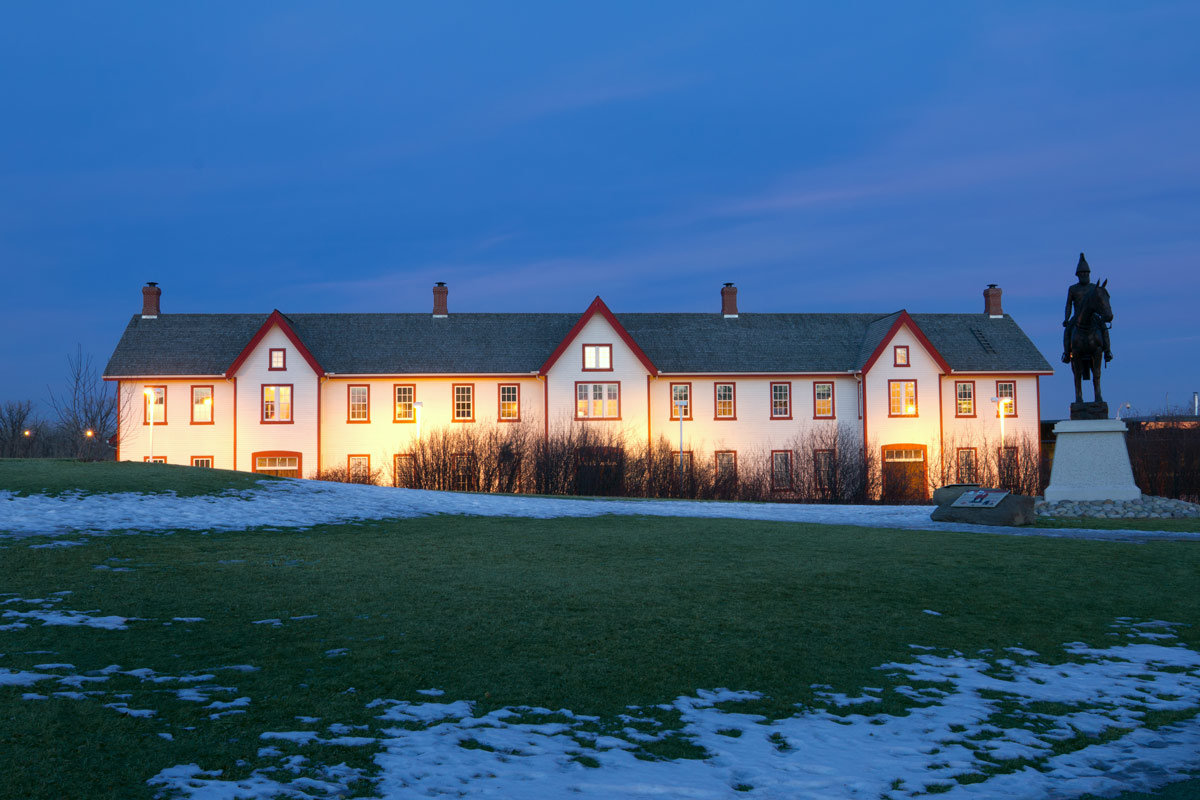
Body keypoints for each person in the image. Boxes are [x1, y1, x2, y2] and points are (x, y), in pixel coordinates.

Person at [1062, 253, 1112, 364]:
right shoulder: (1073, 289)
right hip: (1077, 317)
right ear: (1078, 275)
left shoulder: (1093, 287)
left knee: (1103, 328)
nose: (1084, 275)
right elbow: (1069, 304)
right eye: (1082, 274)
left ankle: (1107, 351)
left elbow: (1099, 303)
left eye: (1086, 273)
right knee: (1067, 331)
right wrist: (1066, 318)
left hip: (1092, 315)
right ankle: (1066, 353)